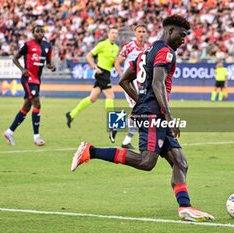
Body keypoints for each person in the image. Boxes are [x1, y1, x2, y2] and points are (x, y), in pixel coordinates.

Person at [70, 15, 215, 222]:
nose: (184, 40)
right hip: (154, 114)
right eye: (182, 35)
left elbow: (124, 80)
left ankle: (185, 207)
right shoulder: (165, 52)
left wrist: (142, 101)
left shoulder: (146, 52)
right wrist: (167, 115)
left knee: (180, 162)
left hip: (152, 111)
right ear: (170, 31)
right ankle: (90, 151)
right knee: (147, 162)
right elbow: (157, 84)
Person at [3, 24, 56, 146]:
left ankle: (9, 131)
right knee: (37, 103)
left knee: (27, 107)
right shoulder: (28, 45)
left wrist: (51, 67)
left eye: (41, 31)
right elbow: (15, 58)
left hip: (37, 79)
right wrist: (22, 69)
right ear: (33, 33)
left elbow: (48, 63)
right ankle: (36, 137)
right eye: (37, 31)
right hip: (28, 78)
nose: (39, 33)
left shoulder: (48, 46)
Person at [66, 27, 119, 143]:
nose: (114, 35)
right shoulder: (102, 44)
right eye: (112, 32)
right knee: (110, 96)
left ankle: (71, 114)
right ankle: (113, 126)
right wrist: (95, 67)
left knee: (92, 98)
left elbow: (114, 63)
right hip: (101, 73)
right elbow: (88, 56)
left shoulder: (116, 48)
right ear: (108, 34)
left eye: (116, 33)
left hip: (107, 73)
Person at [114, 23, 150, 149]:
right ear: (135, 33)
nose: (141, 34)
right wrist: (122, 76)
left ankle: (126, 141)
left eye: (143, 31)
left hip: (142, 84)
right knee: (139, 111)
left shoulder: (148, 48)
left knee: (140, 112)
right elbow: (117, 62)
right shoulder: (129, 47)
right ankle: (120, 129)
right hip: (130, 84)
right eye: (139, 31)